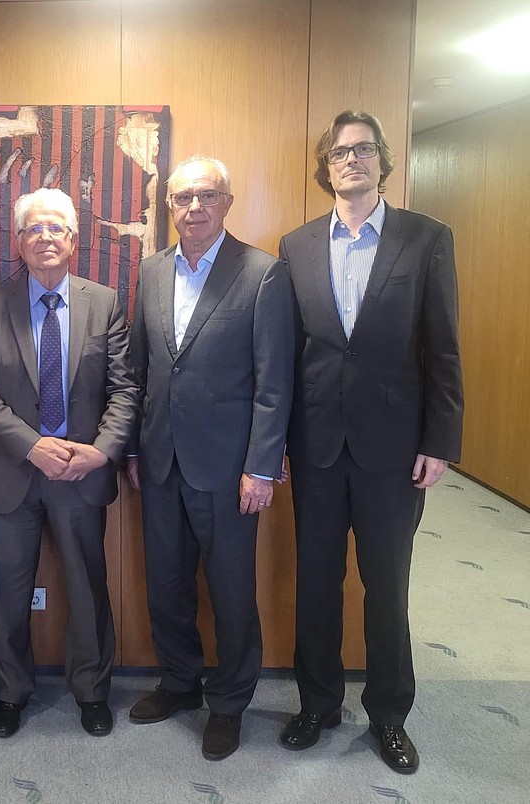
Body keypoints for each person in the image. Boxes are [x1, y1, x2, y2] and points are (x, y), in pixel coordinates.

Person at [277, 111, 464, 774]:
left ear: (382, 161)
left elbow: (443, 348)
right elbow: (287, 353)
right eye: (338, 152)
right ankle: (318, 704)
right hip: (317, 447)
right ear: (325, 167)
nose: (350, 159)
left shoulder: (426, 238)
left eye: (362, 149)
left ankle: (389, 714)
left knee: (387, 587)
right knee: (316, 585)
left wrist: (441, 440)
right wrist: (275, 445)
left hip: (394, 450)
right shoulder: (297, 245)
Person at [126, 157, 294, 760]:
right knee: (166, 585)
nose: (193, 207)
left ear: (227, 202)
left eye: (206, 195)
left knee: (231, 592)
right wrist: (134, 447)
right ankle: (179, 683)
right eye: (182, 197)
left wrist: (261, 465)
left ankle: (228, 703)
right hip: (160, 461)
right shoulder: (150, 271)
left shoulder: (262, 273)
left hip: (228, 469)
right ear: (168, 206)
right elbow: (140, 370)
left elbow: (274, 383)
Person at [0, 187, 138, 739]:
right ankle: (10, 691)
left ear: (74, 239)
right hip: (17, 472)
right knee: (8, 590)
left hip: (81, 472)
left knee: (88, 587)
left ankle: (92, 690)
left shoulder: (104, 303)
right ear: (18, 241)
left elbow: (125, 389)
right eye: (33, 229)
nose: (44, 237)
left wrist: (101, 450)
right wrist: (31, 445)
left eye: (55, 227)